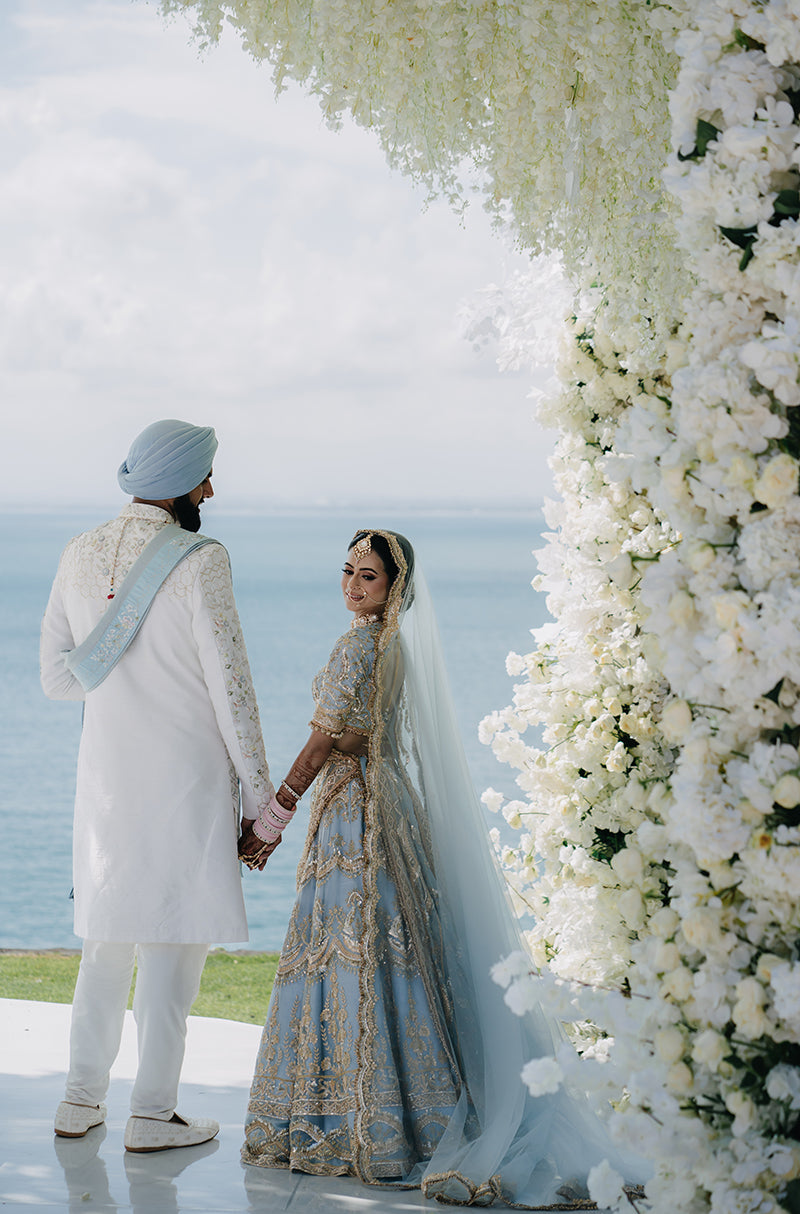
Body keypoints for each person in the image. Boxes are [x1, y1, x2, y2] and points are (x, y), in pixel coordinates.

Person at [239, 529, 644, 1207]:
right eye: (347, 572)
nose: (352, 587)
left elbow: (319, 746)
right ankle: (414, 1109)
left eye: (367, 578)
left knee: (351, 952)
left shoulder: (355, 646)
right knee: (397, 954)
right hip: (391, 800)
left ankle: (356, 1123)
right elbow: (368, 733)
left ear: (393, 588)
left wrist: (272, 819)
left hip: (351, 814)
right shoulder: (395, 648)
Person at [40, 419, 275, 1153]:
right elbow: (231, 687)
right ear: (179, 482)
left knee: (105, 948)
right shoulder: (201, 559)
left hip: (107, 783)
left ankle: (79, 1102)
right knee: (173, 951)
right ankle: (151, 1113)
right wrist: (262, 802)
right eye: (206, 474)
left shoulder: (77, 553)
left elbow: (56, 679)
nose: (211, 487)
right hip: (184, 784)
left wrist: (124, 683)